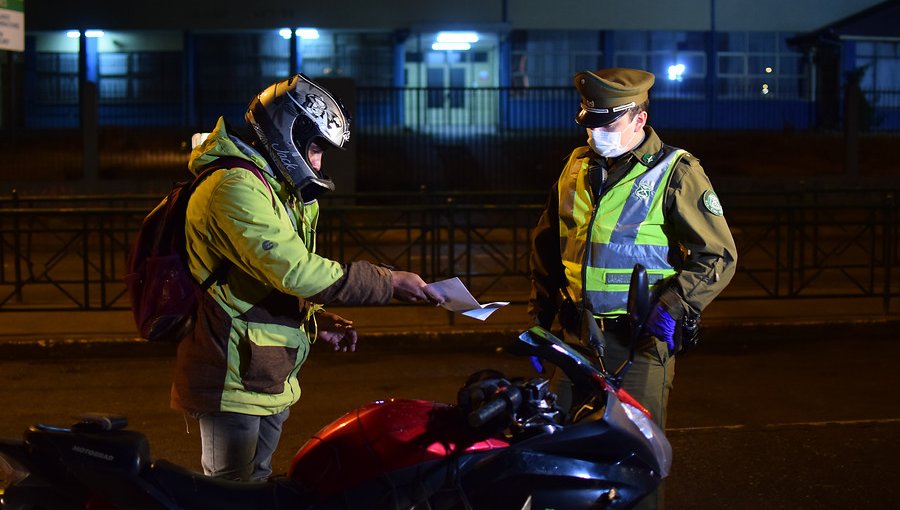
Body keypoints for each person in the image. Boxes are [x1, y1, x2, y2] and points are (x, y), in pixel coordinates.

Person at [171, 74, 443, 481]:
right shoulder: (234, 187)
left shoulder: (270, 185)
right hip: (230, 376)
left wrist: (313, 320)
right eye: (315, 147)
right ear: (288, 132)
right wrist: (389, 282)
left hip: (263, 373)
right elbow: (294, 269)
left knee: (258, 486)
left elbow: (263, 279)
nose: (318, 162)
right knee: (229, 494)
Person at [528, 68, 737, 508]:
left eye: (607, 123)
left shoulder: (676, 172)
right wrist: (541, 318)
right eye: (588, 121)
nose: (596, 132)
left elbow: (717, 255)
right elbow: (548, 243)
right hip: (575, 338)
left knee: (635, 466)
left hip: (638, 343)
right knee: (561, 455)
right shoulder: (576, 165)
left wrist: (673, 307)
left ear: (639, 118)